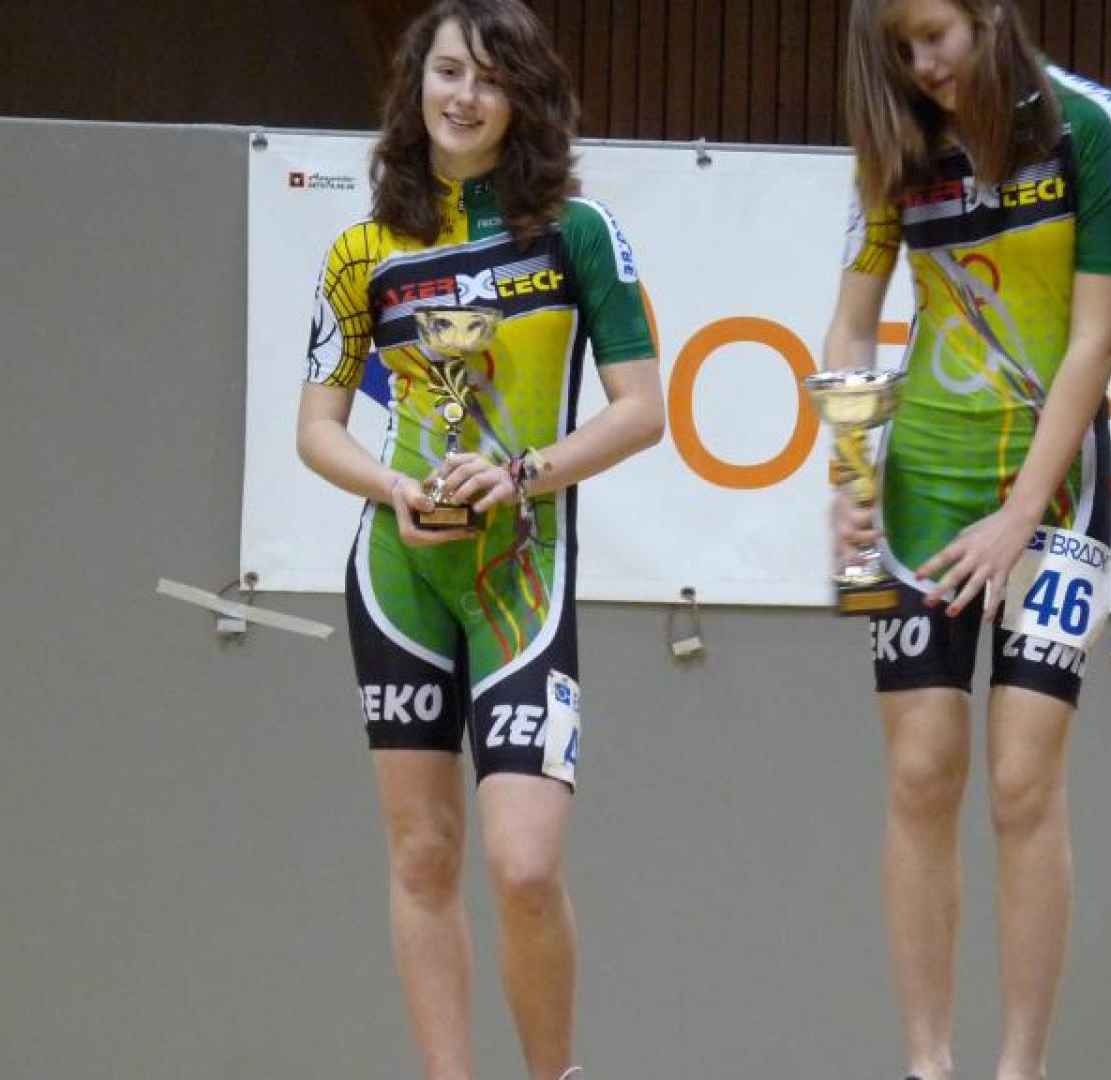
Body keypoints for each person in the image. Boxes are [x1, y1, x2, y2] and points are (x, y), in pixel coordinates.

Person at [294, 2, 663, 1076]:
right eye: (449, 71)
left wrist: (520, 475)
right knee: (422, 855)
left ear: (524, 99)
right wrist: (391, 485)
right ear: (416, 83)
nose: (465, 96)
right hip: (398, 574)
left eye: (491, 78)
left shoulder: (577, 234)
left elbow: (643, 410)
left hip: (521, 576)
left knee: (525, 865)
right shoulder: (361, 251)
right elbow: (317, 429)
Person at [824, 1, 1111, 1076]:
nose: (923, 65)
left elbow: (1096, 338)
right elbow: (853, 323)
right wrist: (848, 477)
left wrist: (1020, 514)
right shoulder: (894, 141)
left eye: (937, 36)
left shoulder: (1089, 125)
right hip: (920, 482)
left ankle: (1020, 1067)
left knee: (1021, 783)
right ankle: (926, 1064)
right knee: (921, 773)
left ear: (989, 13)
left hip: (1058, 490)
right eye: (901, 49)